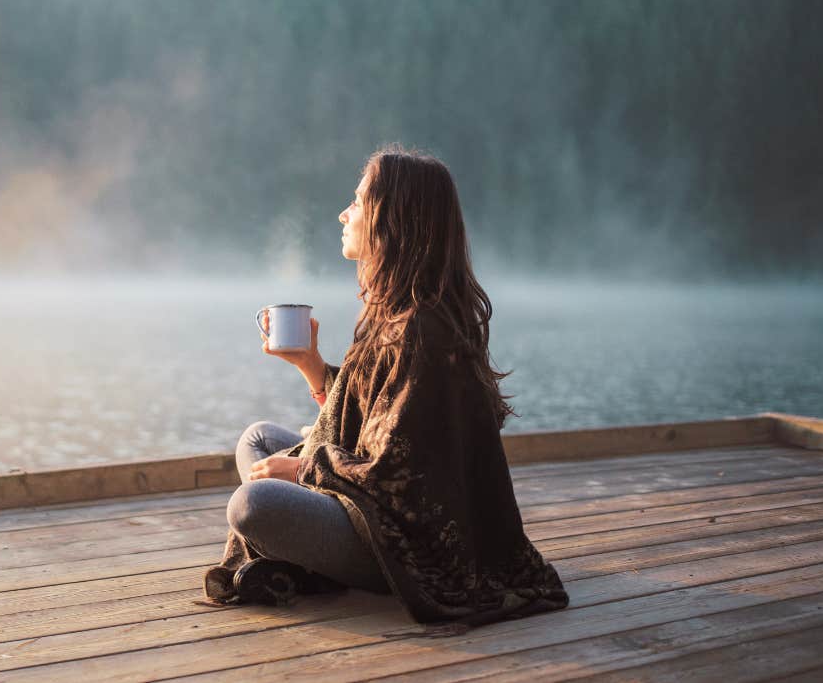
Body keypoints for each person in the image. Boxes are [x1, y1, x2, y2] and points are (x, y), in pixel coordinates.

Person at [202, 143, 570, 629]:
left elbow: (397, 473)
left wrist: (302, 470)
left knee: (253, 503)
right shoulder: (395, 310)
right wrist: (311, 365)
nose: (343, 213)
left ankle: (313, 559)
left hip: (409, 543)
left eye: (356, 201)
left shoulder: (424, 330)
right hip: (370, 504)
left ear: (392, 218)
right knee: (259, 440)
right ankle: (307, 548)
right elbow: (369, 419)